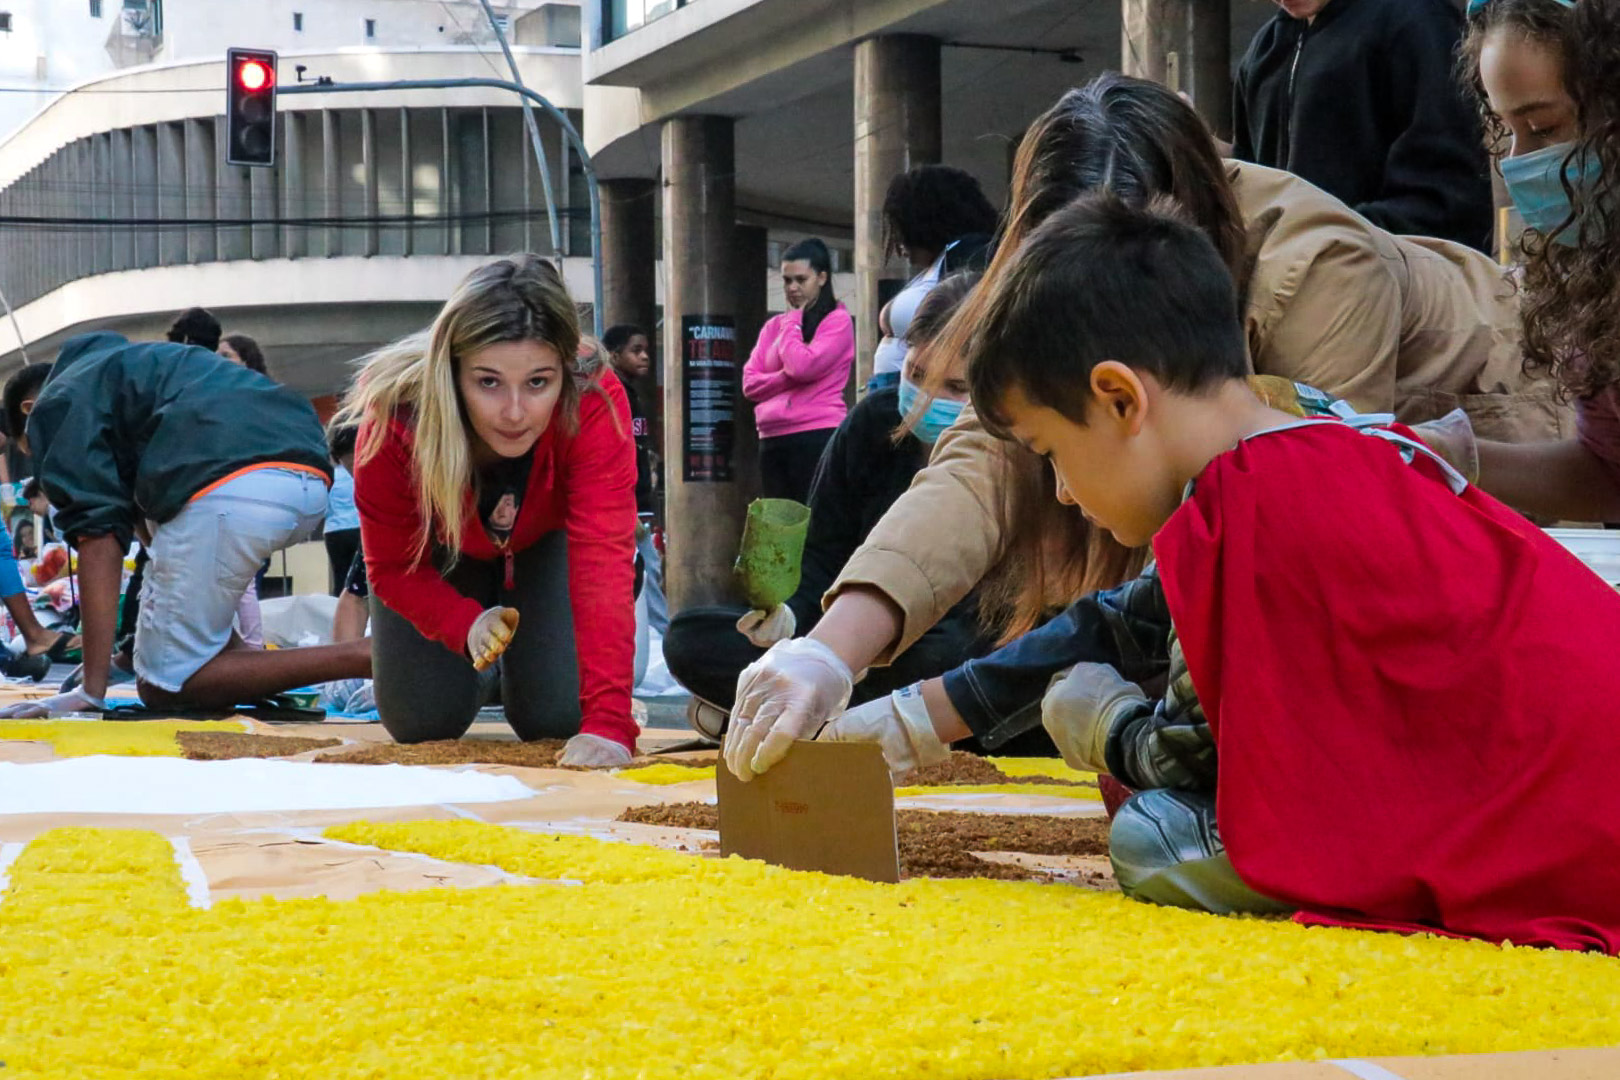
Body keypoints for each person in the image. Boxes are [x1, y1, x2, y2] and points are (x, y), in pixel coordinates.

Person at [775, 194, 1620, 954]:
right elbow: (1124, 616)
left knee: (1156, 836)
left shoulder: (1244, 507)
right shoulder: (1325, 444)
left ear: (1119, 399)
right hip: (1579, 790)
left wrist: (1097, 723)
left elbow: (1189, 760)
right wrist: (905, 719)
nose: (1064, 492)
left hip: (1561, 837)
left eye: (1052, 455)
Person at [724, 73, 1566, 768]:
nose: (1055, 479)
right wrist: (831, 650)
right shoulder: (1045, 297)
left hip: (1510, 436)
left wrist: (936, 713)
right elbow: (987, 456)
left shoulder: (1318, 269)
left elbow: (1298, 555)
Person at [340, 255, 639, 768]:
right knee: (419, 722)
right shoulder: (394, 417)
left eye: (539, 383)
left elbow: (604, 560)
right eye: (489, 382)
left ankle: (522, 664)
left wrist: (611, 722)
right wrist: (463, 624)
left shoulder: (595, 396)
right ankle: (487, 665)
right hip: (440, 556)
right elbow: (389, 569)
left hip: (543, 541)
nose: (516, 413)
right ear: (451, 371)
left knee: (557, 718)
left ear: (566, 373)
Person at [666, 275, 988, 739]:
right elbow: (822, 558)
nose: (927, 401)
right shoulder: (873, 424)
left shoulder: (1013, 452)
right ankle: (825, 714)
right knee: (691, 636)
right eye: (917, 375)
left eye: (955, 387)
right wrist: (789, 617)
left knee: (959, 659)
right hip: (852, 638)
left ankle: (789, 715)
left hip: (952, 647)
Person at [0, 335, 370, 718]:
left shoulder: (59, 402)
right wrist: (131, 652)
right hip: (305, 476)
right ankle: (250, 666)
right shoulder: (132, 374)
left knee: (164, 685)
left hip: (229, 489)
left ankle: (363, 655)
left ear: (31, 411)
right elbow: (156, 546)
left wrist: (91, 690)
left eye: (35, 451)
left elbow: (100, 540)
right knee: (205, 650)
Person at [1414, 0, 1620, 523]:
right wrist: (1448, 455)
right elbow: (1608, 472)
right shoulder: (1594, 270)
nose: (1517, 163)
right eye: (1507, 131)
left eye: (1544, 129)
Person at [1233, 0, 1496, 251]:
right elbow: (1249, 193)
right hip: (1297, 282)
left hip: (1395, 278)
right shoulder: (1263, 53)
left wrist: (1328, 241)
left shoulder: (1416, 20)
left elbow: (1450, 198)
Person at [742, 238, 855, 503]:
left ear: (822, 277)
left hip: (816, 433)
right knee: (780, 531)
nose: (792, 288)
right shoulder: (773, 327)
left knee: (814, 524)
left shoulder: (837, 321)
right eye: (786, 280)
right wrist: (788, 377)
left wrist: (793, 321)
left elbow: (801, 366)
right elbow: (749, 384)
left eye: (801, 280)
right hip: (772, 437)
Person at [869, 166, 998, 390]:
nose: (899, 247)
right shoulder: (944, 262)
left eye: (901, 230)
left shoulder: (972, 257)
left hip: (928, 392)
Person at [602, 324, 668, 636]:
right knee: (646, 569)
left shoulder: (631, 394)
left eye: (645, 350)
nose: (644, 357)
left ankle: (653, 634)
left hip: (638, 499)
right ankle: (658, 635)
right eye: (635, 350)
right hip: (625, 502)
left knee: (646, 568)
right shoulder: (613, 395)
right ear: (614, 356)